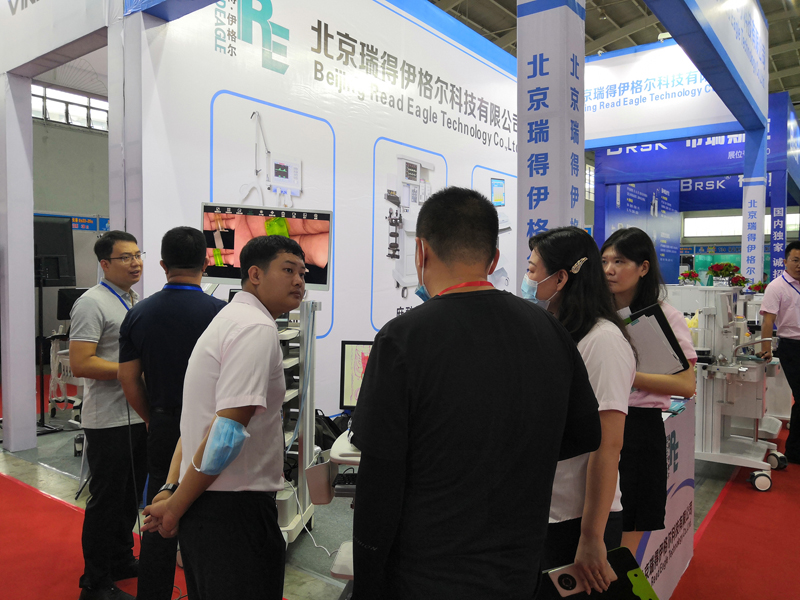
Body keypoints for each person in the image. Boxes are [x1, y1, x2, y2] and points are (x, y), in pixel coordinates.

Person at [350, 187, 602, 600]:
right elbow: (585, 433)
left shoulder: (402, 339)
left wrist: (367, 582)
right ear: (494, 259)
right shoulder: (549, 330)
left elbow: (379, 482)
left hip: (428, 572)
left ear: (421, 251)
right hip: (518, 565)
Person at [141, 235, 306, 600]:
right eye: (288, 270)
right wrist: (175, 508)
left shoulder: (230, 318)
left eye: (302, 273)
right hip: (234, 512)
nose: (299, 281)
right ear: (255, 275)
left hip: (207, 502)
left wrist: (172, 488)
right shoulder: (255, 328)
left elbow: (196, 421)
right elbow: (225, 434)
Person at [118, 227, 226, 600]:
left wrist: (153, 417)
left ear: (163, 265)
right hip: (211, 426)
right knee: (211, 509)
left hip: (164, 422)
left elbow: (128, 378)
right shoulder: (222, 314)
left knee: (158, 509)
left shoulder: (138, 313)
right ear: (206, 263)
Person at [527, 227, 635, 595]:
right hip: (550, 510)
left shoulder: (603, 341)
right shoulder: (559, 331)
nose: (527, 280)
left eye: (532, 270)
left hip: (579, 520)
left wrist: (591, 536)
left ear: (560, 278)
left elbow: (607, 445)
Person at [600, 227, 697, 558]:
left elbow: (686, 385)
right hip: (598, 423)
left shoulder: (665, 317)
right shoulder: (595, 314)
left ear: (643, 268)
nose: (609, 269)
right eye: (604, 261)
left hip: (640, 429)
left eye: (619, 261)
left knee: (630, 526)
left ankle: (624, 579)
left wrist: (626, 374)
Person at [70, 230, 147, 600]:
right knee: (106, 501)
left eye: (137, 255)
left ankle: (120, 559)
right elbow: (81, 363)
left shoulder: (133, 299)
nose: (135, 263)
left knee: (130, 497)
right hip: (108, 420)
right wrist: (130, 372)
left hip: (137, 414)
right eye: (125, 257)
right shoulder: (92, 303)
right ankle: (95, 582)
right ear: (104, 264)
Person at [757, 239, 800, 464]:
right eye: (795, 260)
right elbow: (768, 321)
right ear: (785, 261)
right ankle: (795, 451)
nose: (799, 265)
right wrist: (766, 349)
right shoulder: (776, 287)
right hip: (792, 346)